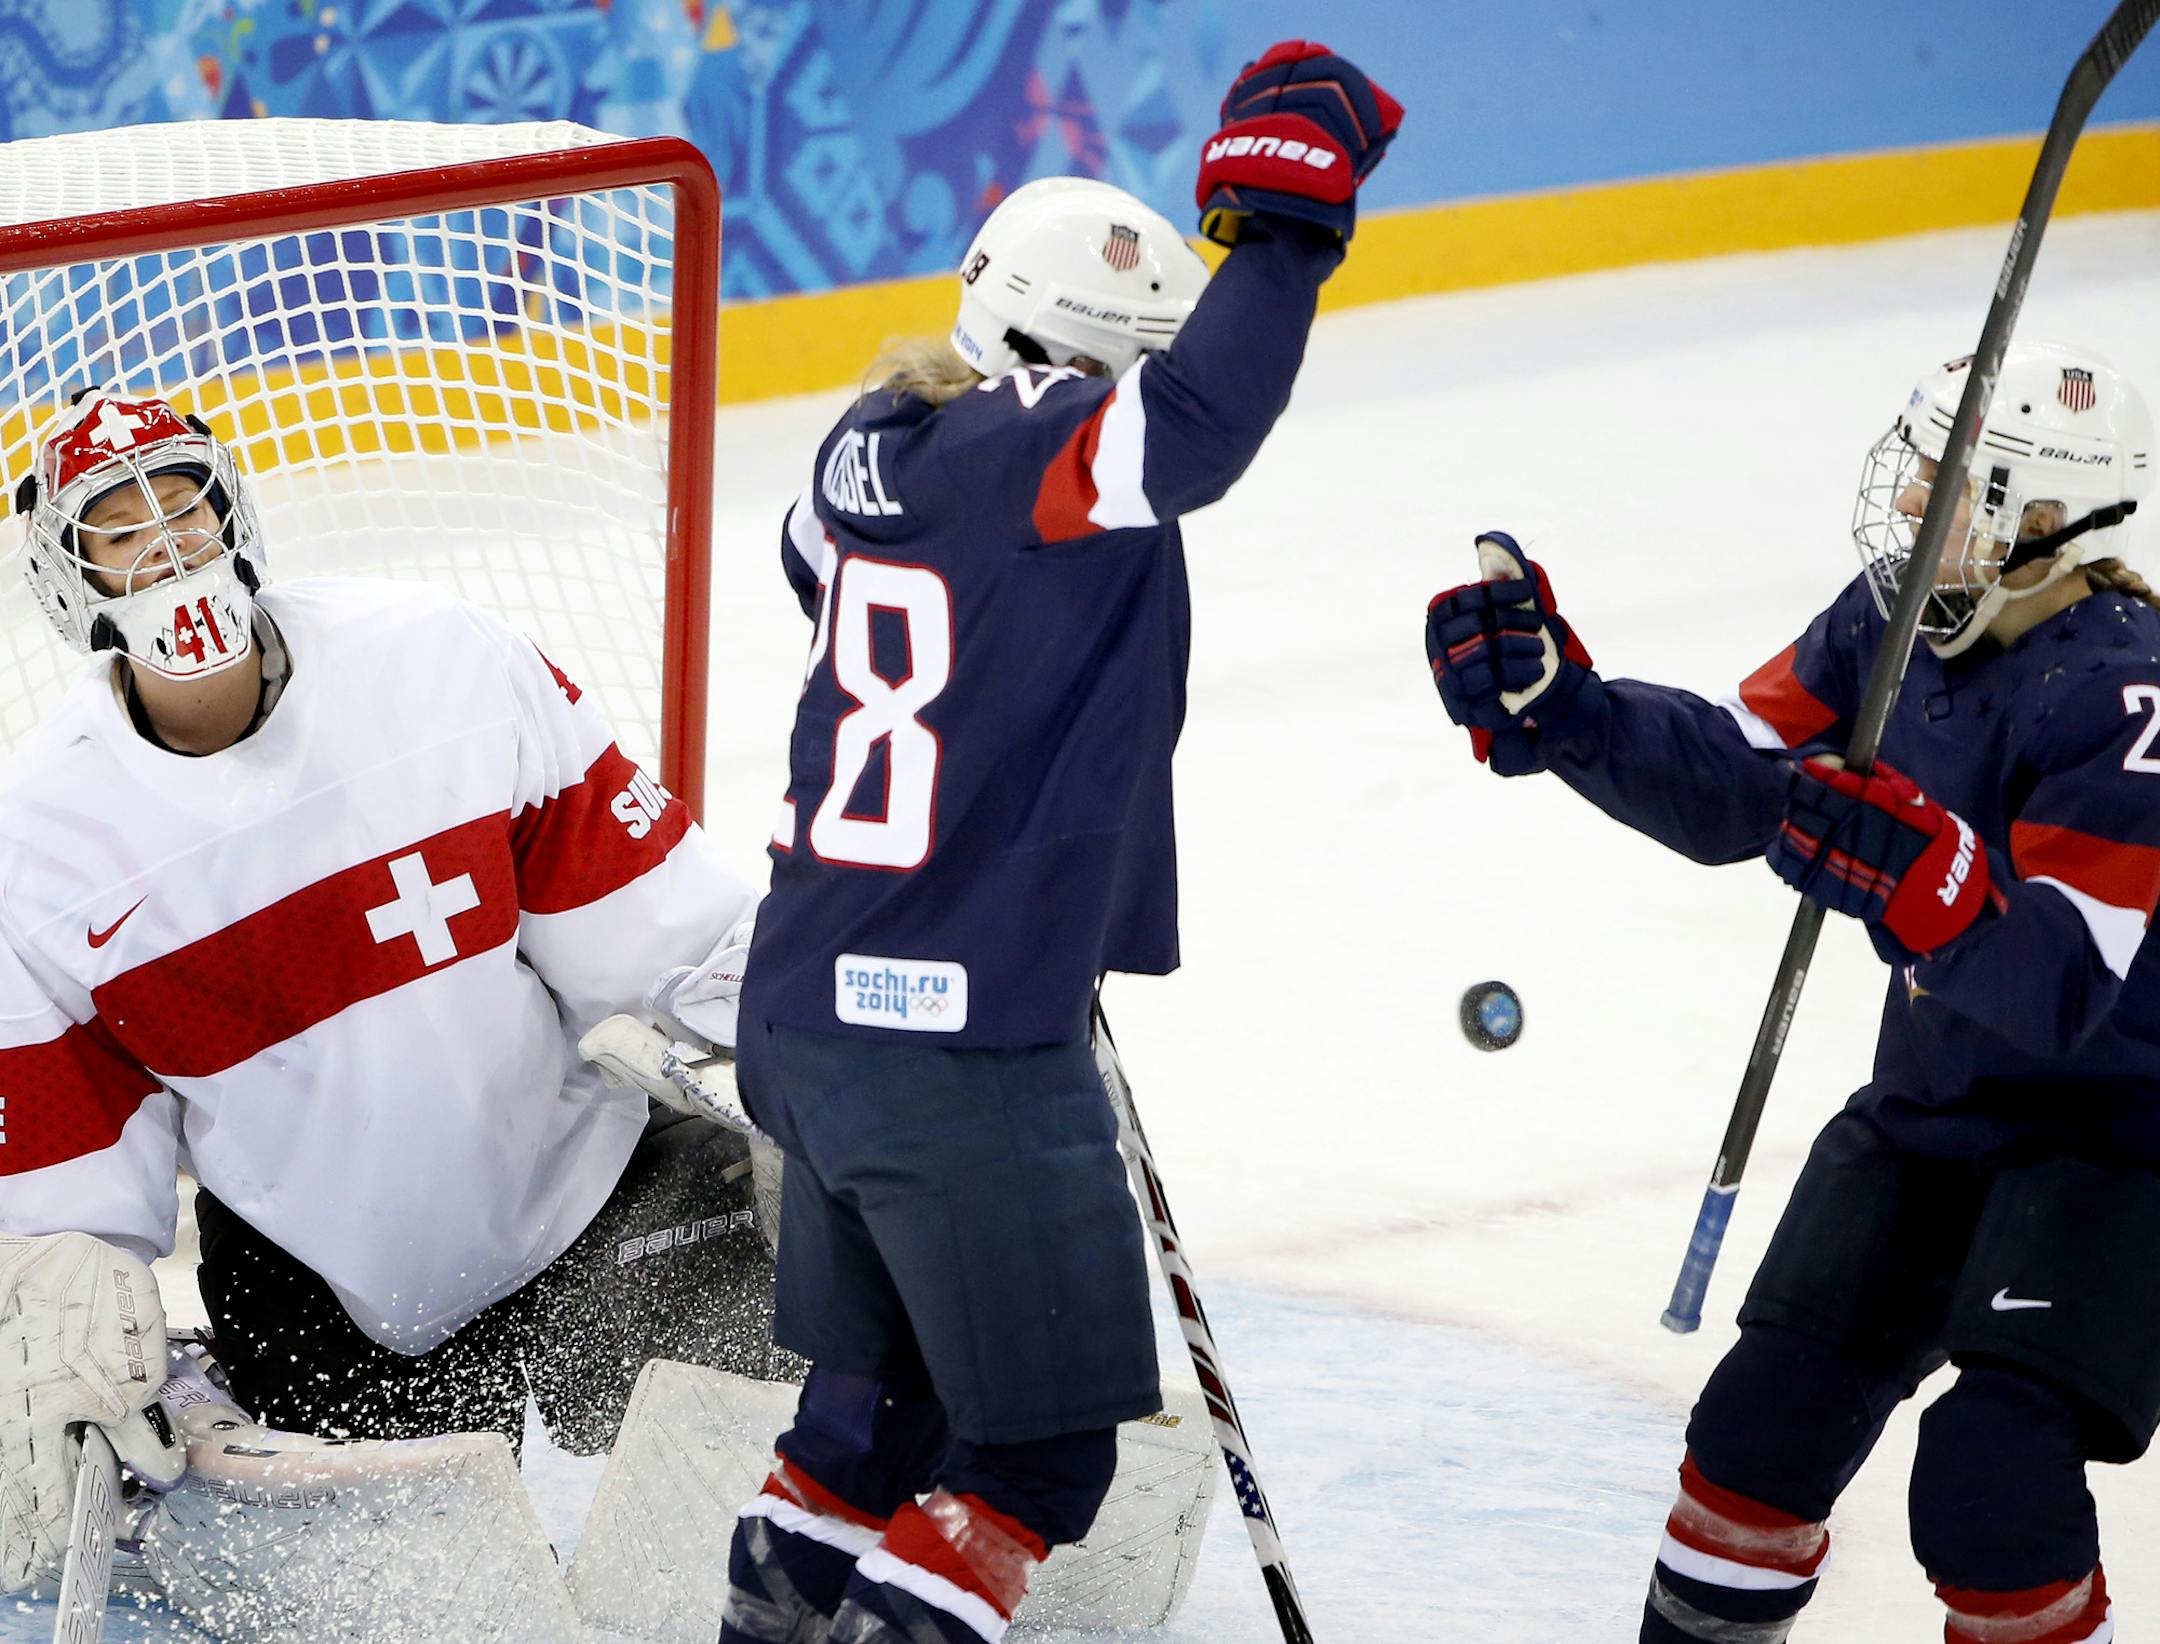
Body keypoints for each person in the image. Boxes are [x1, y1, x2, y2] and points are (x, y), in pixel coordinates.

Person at [714, 39, 1402, 1644]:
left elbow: (865, 620)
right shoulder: (1041, 449)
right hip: (953, 1053)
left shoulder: (867, 447)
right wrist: (1285, 232)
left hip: (812, 1013)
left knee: (865, 1424)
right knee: (1030, 1457)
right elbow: (1201, 430)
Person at [1424, 340, 2160, 1644]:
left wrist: (1934, 888)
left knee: (1991, 1483)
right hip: (1932, 1112)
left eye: (1953, 478)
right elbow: (1735, 774)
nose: (1912, 494)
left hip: (2115, 1146)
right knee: (1755, 1440)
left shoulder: (2128, 696)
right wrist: (1569, 712)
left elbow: (2061, 991)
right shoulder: (1887, 622)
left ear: (2049, 519)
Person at [0, 387, 784, 1601]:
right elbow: (70, 1175)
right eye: (118, 523)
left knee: (755, 1484)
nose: (166, 543)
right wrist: (62, 1291)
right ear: (70, 579)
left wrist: (815, 1031)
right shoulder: (41, 846)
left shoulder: (435, 658)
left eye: (185, 500)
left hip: (583, 1190)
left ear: (233, 509)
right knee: (415, 1605)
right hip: (320, 1285)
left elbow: (662, 931)